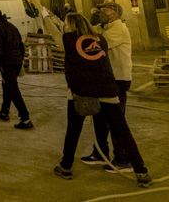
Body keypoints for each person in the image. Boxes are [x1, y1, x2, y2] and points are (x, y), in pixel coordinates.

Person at [54, 12, 151, 188]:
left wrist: (46, 16)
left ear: (71, 26)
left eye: (67, 24)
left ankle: (66, 166)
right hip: (107, 89)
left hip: (82, 91)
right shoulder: (100, 39)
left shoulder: (69, 39)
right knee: (122, 131)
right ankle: (141, 171)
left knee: (73, 131)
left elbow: (56, 34)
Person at [81, 1, 133, 170]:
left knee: (116, 120)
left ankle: (123, 158)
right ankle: (100, 153)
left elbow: (96, 43)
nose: (99, 12)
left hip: (118, 79)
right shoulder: (106, 28)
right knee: (100, 117)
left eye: (103, 10)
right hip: (106, 79)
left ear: (113, 13)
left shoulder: (118, 29)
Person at [0, 8, 32, 129]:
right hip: (16, 60)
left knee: (13, 89)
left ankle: (25, 118)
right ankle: (4, 111)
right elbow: (21, 44)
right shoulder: (11, 26)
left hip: (7, 62)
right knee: (7, 86)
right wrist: (20, 59)